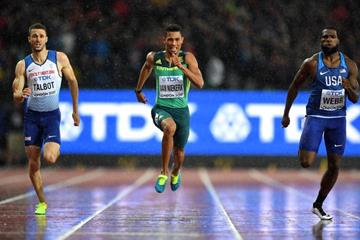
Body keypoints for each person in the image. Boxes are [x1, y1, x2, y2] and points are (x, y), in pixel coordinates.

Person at [282, 27, 359, 220]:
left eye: (331, 37)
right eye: (324, 37)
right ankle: (306, 142)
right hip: (316, 117)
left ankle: (318, 204)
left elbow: (355, 98)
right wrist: (286, 114)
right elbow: (294, 87)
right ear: (320, 41)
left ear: (338, 40)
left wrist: (348, 87)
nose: (327, 40)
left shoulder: (350, 65)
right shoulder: (311, 63)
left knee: (334, 166)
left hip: (338, 120)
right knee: (306, 162)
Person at [12, 23, 80, 214]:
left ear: (46, 39)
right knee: (34, 163)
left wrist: (75, 111)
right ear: (29, 39)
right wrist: (20, 94)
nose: (38, 39)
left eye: (41, 36)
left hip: (51, 117)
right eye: (34, 36)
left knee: (49, 157)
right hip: (32, 118)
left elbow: (73, 82)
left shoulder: (59, 58)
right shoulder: (23, 65)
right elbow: (16, 94)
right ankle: (42, 202)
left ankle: (53, 145)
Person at [135, 23, 204, 193]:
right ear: (164, 40)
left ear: (182, 41)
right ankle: (163, 172)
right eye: (170, 39)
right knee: (169, 128)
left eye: (176, 40)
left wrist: (180, 67)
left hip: (181, 111)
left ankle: (175, 171)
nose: (173, 43)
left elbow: (200, 83)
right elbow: (146, 68)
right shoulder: (154, 57)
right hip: (161, 108)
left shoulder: (188, 59)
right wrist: (138, 90)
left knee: (179, 152)